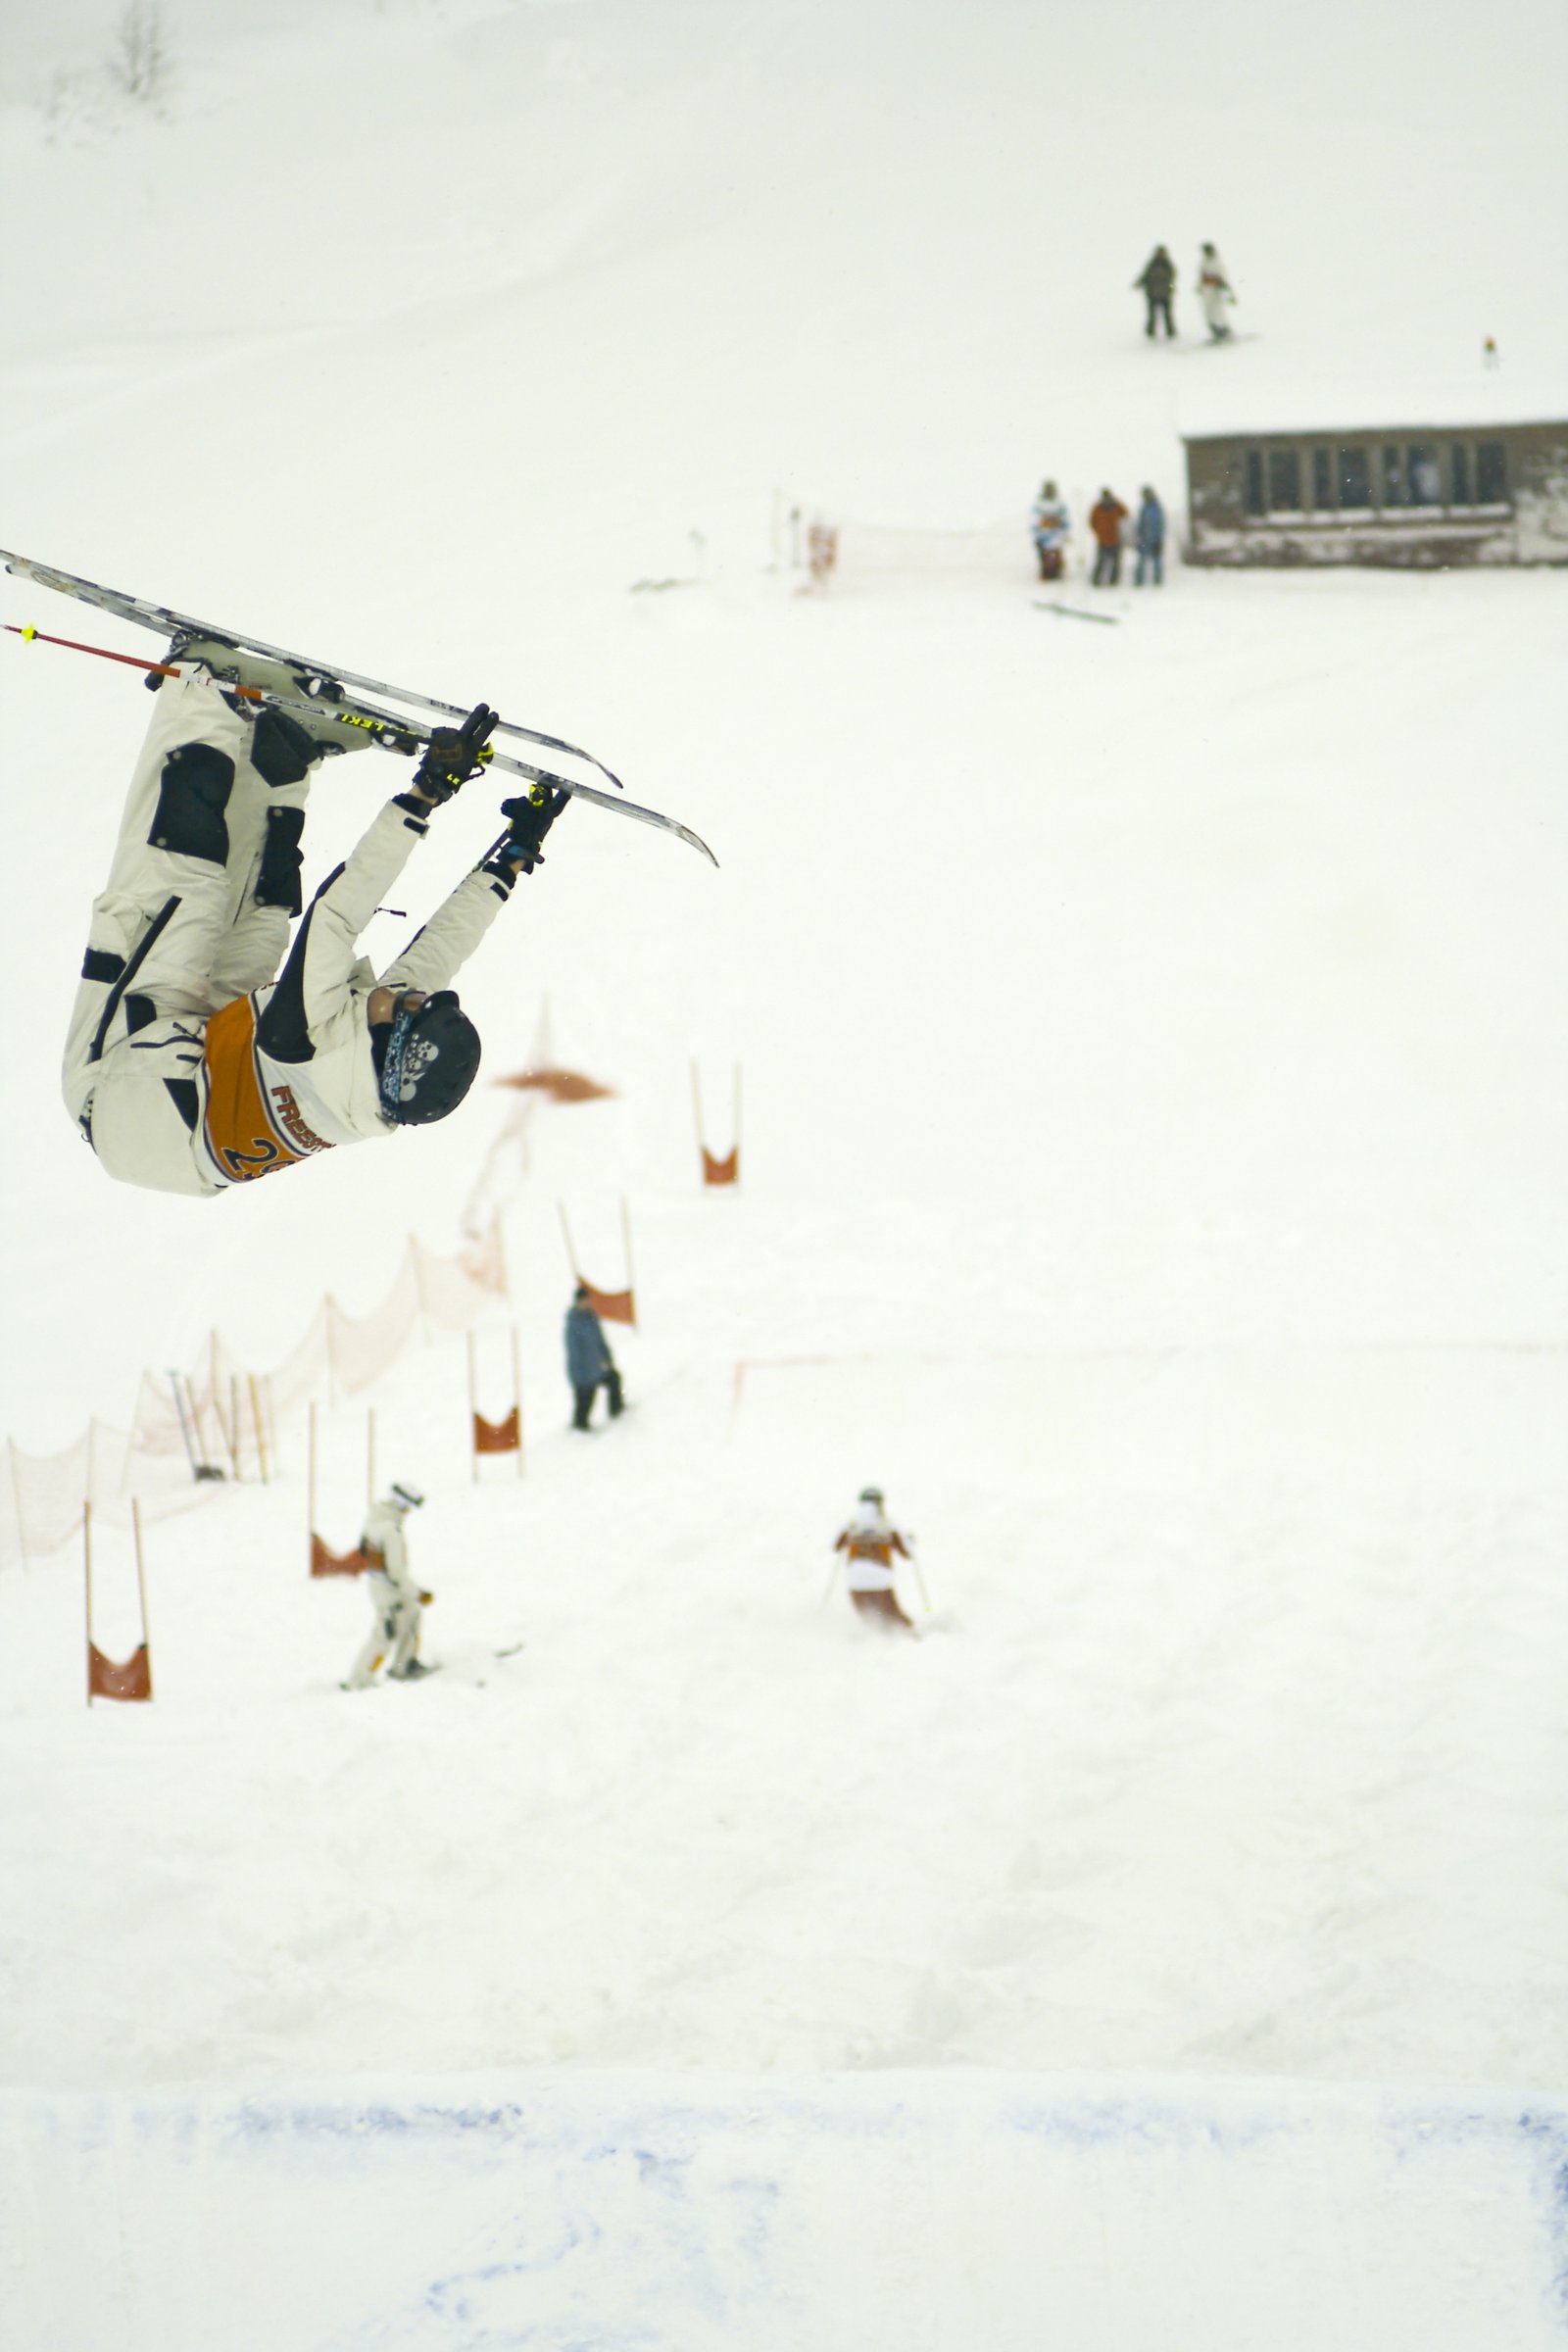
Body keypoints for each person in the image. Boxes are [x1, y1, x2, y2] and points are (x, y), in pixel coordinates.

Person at [62, 642, 566, 1199]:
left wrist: (425, 795)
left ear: (391, 1042)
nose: (410, 994)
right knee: (264, 906)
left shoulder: (311, 1043)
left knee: (183, 886)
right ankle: (280, 747)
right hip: (208, 1068)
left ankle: (199, 690)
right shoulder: (377, 1071)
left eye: (409, 1007)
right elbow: (443, 948)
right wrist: (513, 856)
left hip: (118, 1082)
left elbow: (340, 910)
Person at [342, 1480, 433, 1689]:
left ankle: (405, 1665)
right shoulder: (391, 1531)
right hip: (391, 1590)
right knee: (385, 1632)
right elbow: (397, 1571)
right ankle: (360, 1679)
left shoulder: (373, 1521)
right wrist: (417, 1592)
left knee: (412, 1616)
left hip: (378, 1585)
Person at [832, 1486, 917, 1632]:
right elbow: (906, 1553)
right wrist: (911, 1541)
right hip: (881, 1578)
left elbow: (836, 1546)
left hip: (856, 1579)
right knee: (895, 1618)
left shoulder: (851, 1525)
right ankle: (913, 1643)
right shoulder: (889, 1525)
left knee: (870, 1622)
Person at [564, 1283, 625, 1430]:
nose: (587, 1303)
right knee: (585, 1403)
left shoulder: (592, 1318)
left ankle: (617, 1412)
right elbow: (574, 1353)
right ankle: (579, 1429)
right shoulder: (574, 1323)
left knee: (614, 1379)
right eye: (584, 1301)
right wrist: (579, 1377)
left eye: (588, 1300)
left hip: (598, 1368)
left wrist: (608, 1359)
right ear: (578, 1302)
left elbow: (601, 1342)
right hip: (584, 1373)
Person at [1030, 480, 1071, 582]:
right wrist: (1037, 534)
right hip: (1043, 537)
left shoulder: (1059, 504)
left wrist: (1064, 531)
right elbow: (1034, 521)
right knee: (1045, 558)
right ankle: (1047, 574)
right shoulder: (1039, 505)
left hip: (1056, 536)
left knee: (1055, 556)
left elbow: (1065, 520)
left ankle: (1056, 573)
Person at [1134, 245, 1177, 338]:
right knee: (1152, 315)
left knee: (1167, 315)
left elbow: (1172, 276)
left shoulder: (1168, 265)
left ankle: (1170, 332)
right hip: (1152, 294)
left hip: (1165, 294)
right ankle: (1151, 332)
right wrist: (1139, 283)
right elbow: (1145, 276)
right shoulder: (1152, 264)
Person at [1088, 490, 1129, 587]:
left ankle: (1112, 581)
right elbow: (1092, 522)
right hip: (1104, 540)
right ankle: (1098, 580)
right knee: (1102, 562)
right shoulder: (1098, 507)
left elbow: (1126, 516)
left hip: (1115, 540)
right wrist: (1099, 532)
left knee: (1114, 563)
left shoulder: (1116, 506)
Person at [1197, 243, 1235, 341]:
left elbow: (1223, 277)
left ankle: (1224, 331)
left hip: (1216, 290)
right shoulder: (1203, 262)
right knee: (1208, 312)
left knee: (1218, 311)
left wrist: (1229, 292)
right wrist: (1199, 286)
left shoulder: (1217, 262)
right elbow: (1201, 276)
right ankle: (1214, 331)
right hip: (1207, 290)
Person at [1134, 487, 1166, 586]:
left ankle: (1157, 580)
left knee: (1156, 560)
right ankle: (1139, 580)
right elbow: (1140, 524)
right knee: (1141, 560)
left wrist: (1160, 537)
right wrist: (1139, 536)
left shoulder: (1156, 507)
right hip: (1144, 539)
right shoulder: (1144, 508)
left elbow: (1160, 524)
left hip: (1155, 539)